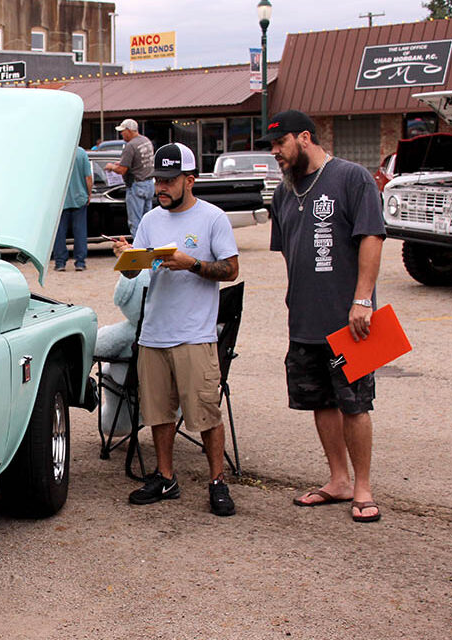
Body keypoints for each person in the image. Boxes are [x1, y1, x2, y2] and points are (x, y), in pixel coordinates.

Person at [263, 109, 386, 523]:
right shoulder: (284, 192)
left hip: (350, 318)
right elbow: (288, 252)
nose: (275, 152)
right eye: (272, 146)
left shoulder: (352, 178)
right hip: (305, 319)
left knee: (354, 403)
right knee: (320, 401)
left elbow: (371, 236)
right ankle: (338, 480)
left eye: (280, 144)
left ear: (305, 137)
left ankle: (364, 487)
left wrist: (363, 300)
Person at [112, 142, 240, 517]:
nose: (161, 188)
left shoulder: (213, 218)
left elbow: (231, 270)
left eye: (169, 181)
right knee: (158, 413)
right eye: (157, 181)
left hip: (194, 335)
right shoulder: (151, 220)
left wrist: (193, 265)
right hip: (154, 333)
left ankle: (217, 481)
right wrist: (128, 257)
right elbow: (137, 270)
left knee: (205, 412)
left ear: (190, 180)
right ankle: (165, 477)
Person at [105, 119, 155, 235]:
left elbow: (122, 170)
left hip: (136, 186)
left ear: (129, 131)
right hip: (149, 183)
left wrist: (111, 166)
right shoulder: (146, 141)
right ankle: (149, 247)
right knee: (147, 221)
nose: (121, 134)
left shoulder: (130, 146)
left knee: (135, 222)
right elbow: (138, 162)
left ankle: (139, 248)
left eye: (123, 131)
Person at [53, 146, 93, 271]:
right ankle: (80, 262)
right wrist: (89, 193)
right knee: (80, 232)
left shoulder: (57, 154)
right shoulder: (82, 154)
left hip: (61, 200)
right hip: (79, 197)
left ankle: (60, 262)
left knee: (60, 233)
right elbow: (88, 177)